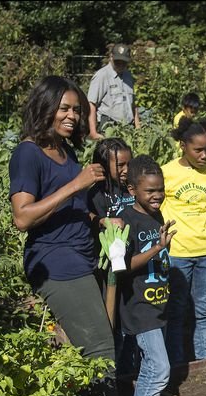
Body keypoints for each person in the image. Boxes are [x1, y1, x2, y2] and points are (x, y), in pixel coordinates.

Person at [8, 75, 131, 396]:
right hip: (57, 266)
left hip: (82, 261)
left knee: (64, 357)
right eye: (64, 108)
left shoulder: (62, 150)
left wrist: (98, 219)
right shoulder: (29, 154)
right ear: (44, 107)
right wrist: (77, 184)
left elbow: (70, 209)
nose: (73, 115)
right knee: (101, 354)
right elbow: (23, 216)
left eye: (77, 109)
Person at [118, 155, 176, 396]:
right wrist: (158, 247)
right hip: (140, 310)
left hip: (157, 305)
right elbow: (123, 266)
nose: (156, 196)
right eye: (149, 191)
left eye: (160, 190)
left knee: (149, 370)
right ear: (132, 190)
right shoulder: (127, 220)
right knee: (158, 370)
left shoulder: (155, 215)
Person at [161, 118, 206, 366]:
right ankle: (176, 362)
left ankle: (203, 359)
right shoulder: (167, 172)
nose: (203, 155)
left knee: (203, 308)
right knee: (177, 308)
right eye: (197, 150)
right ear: (182, 146)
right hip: (178, 250)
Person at [87, 138, 134, 346]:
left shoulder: (130, 188)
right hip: (107, 267)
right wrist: (103, 222)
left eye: (128, 164)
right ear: (104, 165)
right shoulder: (95, 193)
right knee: (110, 315)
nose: (126, 169)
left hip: (132, 261)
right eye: (120, 165)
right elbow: (87, 217)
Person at [87, 43, 139, 140]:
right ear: (111, 57)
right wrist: (93, 132)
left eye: (123, 62)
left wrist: (138, 128)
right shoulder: (102, 76)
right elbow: (91, 105)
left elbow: (133, 104)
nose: (121, 64)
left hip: (128, 128)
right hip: (109, 128)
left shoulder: (128, 76)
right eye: (118, 61)